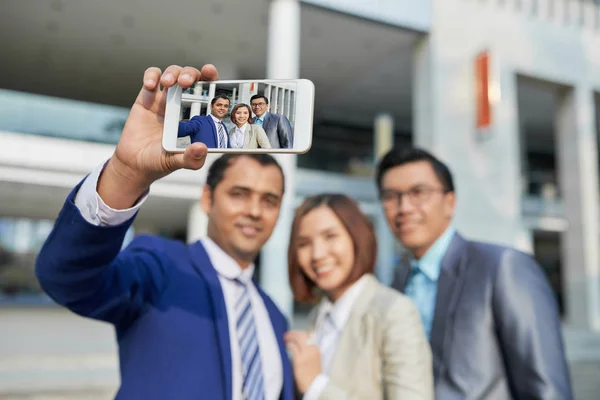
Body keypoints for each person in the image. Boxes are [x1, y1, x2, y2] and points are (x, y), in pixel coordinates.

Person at [34, 65, 295, 400]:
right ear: (207, 198)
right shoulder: (159, 267)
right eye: (239, 194)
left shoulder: (274, 316)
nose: (255, 211)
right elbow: (66, 279)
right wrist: (125, 173)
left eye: (269, 200)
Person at [375, 146, 573, 399]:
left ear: (450, 202)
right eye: (391, 196)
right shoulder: (397, 282)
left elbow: (546, 387)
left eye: (418, 193)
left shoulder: (501, 267)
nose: (404, 207)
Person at [284, 193, 434, 399]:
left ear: (357, 237)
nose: (317, 254)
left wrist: (317, 387)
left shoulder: (393, 312)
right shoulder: (317, 318)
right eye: (303, 244)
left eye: (330, 236)